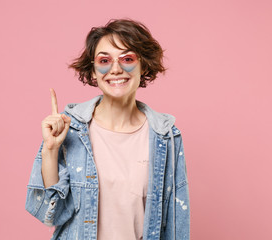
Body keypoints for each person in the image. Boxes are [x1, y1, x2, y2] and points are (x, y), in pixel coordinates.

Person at [25, 19, 190, 240]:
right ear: (93, 72)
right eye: (104, 60)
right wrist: (50, 150)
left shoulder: (165, 136)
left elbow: (175, 224)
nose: (115, 69)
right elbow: (50, 215)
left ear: (144, 66)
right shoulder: (70, 128)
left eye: (127, 59)